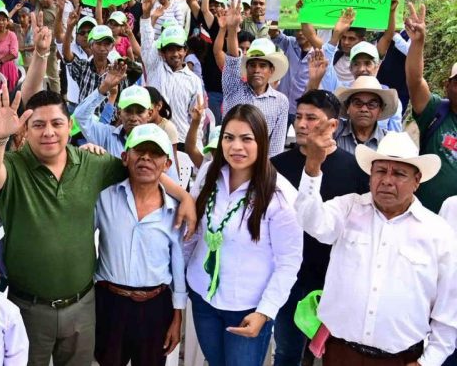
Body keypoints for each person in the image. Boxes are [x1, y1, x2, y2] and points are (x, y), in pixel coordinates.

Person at [0, 87, 196, 366]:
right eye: (38, 125)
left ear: (70, 126)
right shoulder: (14, 165)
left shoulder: (94, 164)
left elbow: (143, 168)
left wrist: (184, 195)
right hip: (28, 307)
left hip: (82, 305)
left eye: (57, 123)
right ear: (26, 129)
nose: (48, 132)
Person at [295, 128, 457, 365]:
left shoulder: (438, 232)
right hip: (339, 353)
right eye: (380, 170)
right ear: (370, 175)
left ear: (416, 180)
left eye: (399, 173)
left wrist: (430, 361)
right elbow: (310, 220)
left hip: (400, 358)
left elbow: (449, 306)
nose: (387, 180)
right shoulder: (348, 207)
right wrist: (312, 168)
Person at [186, 104, 303, 366]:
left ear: (262, 141)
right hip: (204, 299)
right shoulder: (208, 174)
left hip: (248, 308)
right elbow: (192, 233)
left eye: (246, 139)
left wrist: (265, 312)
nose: (236, 147)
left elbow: (289, 262)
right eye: (229, 137)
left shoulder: (280, 195)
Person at [269, 90, 369, 366]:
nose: (301, 124)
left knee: (332, 353)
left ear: (333, 125)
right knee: (287, 351)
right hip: (289, 275)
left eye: (311, 118)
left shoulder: (356, 169)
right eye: (298, 117)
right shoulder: (276, 166)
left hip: (335, 278)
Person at [94, 124, 186, 365]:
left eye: (155, 153)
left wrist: (178, 315)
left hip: (156, 307)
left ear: (167, 164)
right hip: (110, 303)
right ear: (125, 157)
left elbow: (177, 264)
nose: (146, 158)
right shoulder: (104, 198)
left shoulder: (174, 211)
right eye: (139, 151)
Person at [404, 3, 457, 214]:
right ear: (447, 85)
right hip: (426, 218)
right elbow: (415, 81)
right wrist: (418, 43)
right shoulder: (436, 111)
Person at [218, 2, 289, 157]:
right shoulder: (234, 88)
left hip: (260, 170)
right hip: (229, 161)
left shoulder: (281, 101)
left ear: (271, 70)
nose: (257, 70)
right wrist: (231, 29)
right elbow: (232, 59)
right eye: (253, 65)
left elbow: (276, 147)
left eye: (262, 65)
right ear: (246, 68)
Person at [141, 0, 205, 144]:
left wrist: (196, 144)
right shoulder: (154, 66)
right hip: (152, 137)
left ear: (185, 51)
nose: (175, 54)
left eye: (178, 49)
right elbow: (147, 40)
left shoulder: (194, 80)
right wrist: (146, 15)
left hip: (182, 140)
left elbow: (198, 118)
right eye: (170, 49)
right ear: (162, 52)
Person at [333, 76, 398, 154]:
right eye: (357, 103)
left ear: (380, 110)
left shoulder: (389, 142)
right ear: (348, 107)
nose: (364, 109)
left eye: (372, 104)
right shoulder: (333, 131)